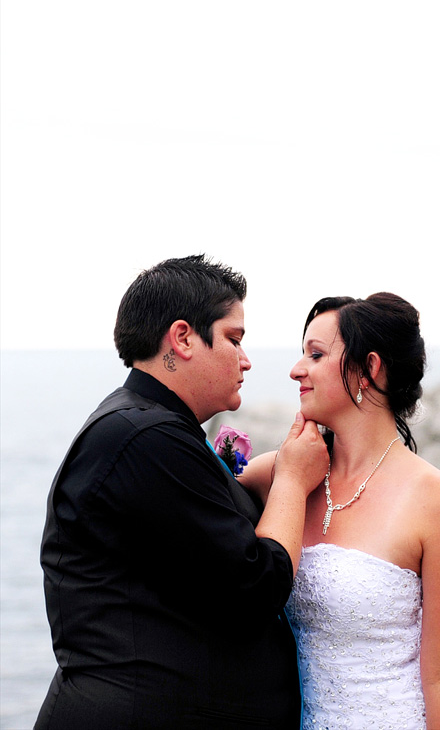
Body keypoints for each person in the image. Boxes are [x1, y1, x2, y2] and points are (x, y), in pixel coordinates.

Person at [37, 255, 329, 729]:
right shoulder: (146, 436)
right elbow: (257, 587)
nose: (246, 359)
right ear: (183, 337)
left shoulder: (146, 427)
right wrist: (294, 482)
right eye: (234, 338)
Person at [241, 293, 440, 730]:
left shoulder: (437, 503)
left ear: (369, 368)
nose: (297, 370)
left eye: (315, 355)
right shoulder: (278, 477)